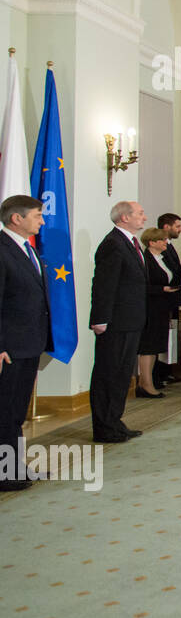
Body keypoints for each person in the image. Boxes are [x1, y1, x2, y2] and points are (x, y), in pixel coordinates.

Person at [0, 195, 52, 490]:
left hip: (29, 342)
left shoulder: (25, 249)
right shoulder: (2, 249)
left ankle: (15, 467)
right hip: (10, 347)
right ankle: (5, 474)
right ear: (16, 219)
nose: (42, 221)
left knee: (16, 412)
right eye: (37, 215)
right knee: (5, 411)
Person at [88, 200, 149, 443]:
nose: (144, 217)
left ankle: (115, 421)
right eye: (140, 213)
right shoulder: (113, 244)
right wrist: (100, 319)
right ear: (124, 217)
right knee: (108, 374)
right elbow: (104, 284)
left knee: (122, 375)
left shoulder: (131, 244)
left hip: (131, 320)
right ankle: (104, 426)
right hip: (115, 322)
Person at [136, 227, 179, 399]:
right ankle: (145, 383)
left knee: (155, 347)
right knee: (148, 346)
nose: (166, 242)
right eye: (162, 240)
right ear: (152, 242)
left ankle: (146, 382)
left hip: (162, 306)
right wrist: (162, 288)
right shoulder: (145, 260)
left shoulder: (162, 258)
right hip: (150, 307)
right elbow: (141, 285)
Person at [155, 212, 181, 384]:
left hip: (173, 298)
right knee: (162, 337)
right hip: (163, 300)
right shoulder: (159, 248)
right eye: (177, 226)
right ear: (166, 227)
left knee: (171, 336)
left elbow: (172, 271)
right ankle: (159, 374)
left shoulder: (169, 246)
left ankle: (167, 371)